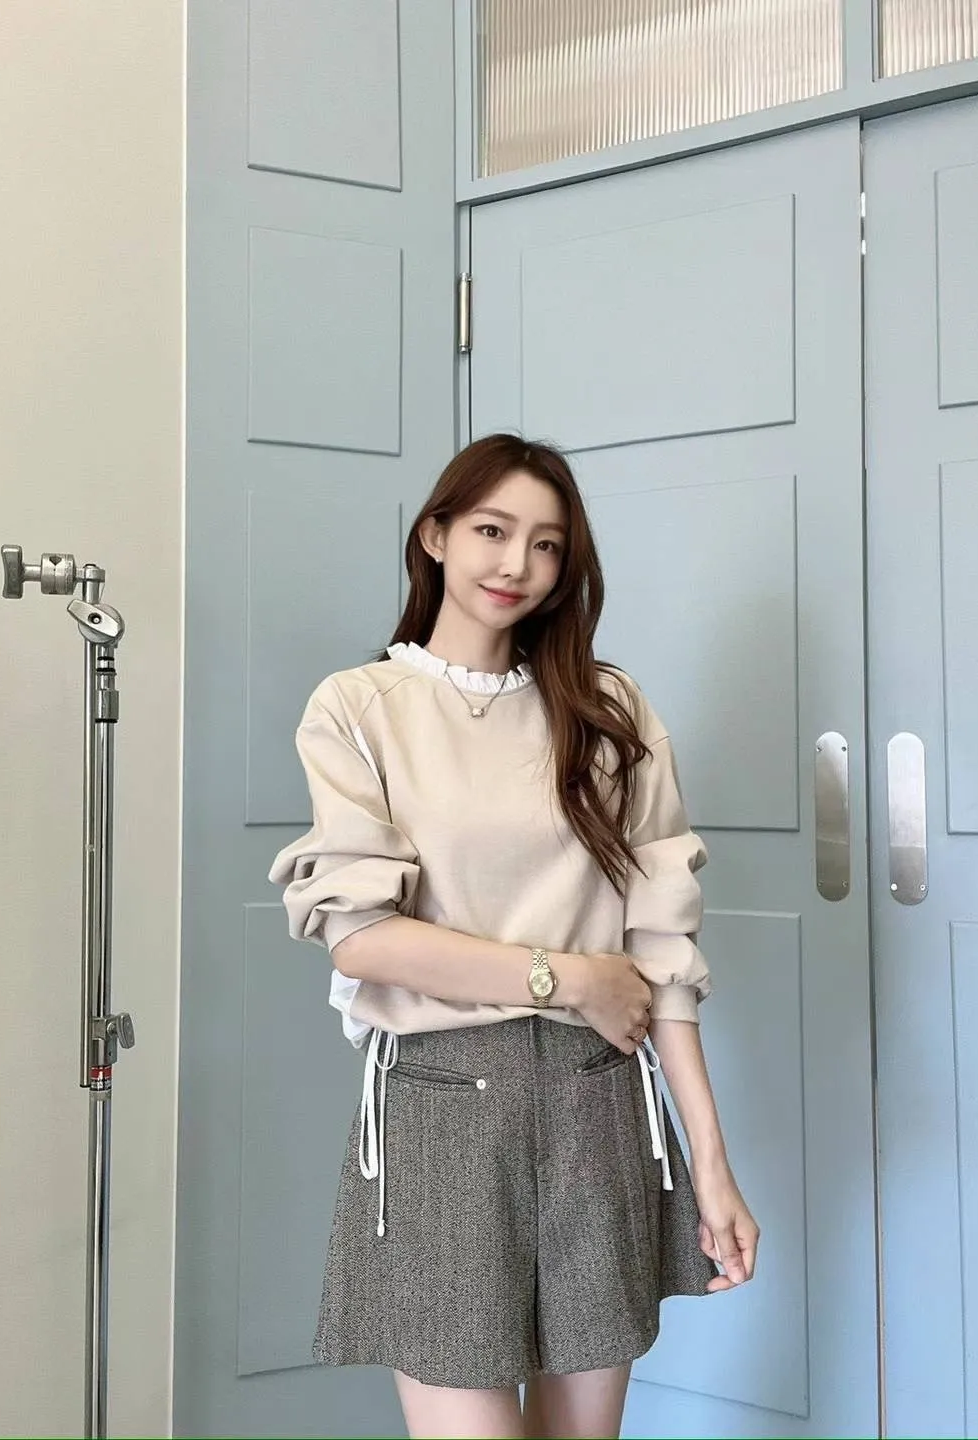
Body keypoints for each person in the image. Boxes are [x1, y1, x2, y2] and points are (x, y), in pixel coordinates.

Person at [269, 433, 758, 1440]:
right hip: (442, 1113)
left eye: (545, 545)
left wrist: (712, 1164)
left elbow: (664, 962)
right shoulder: (360, 709)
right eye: (492, 531)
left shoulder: (608, 711)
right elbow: (362, 938)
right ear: (435, 535)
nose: (516, 565)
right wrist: (570, 978)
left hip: (597, 1108)